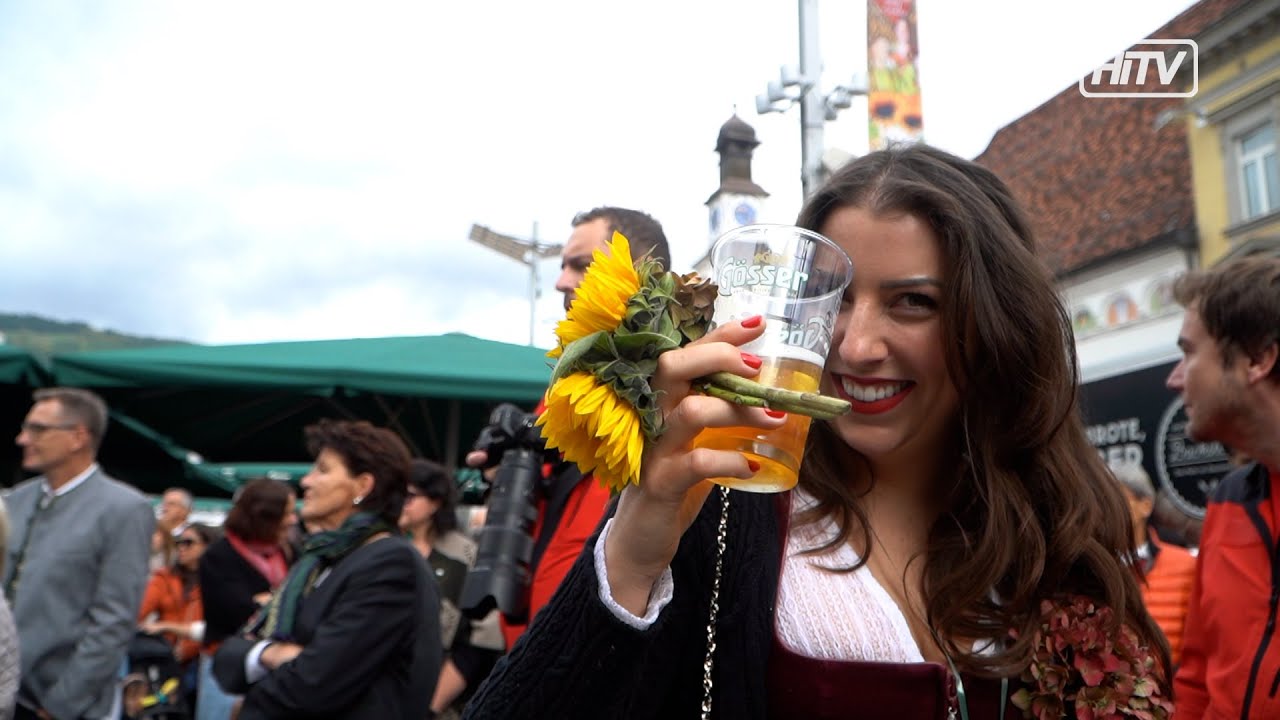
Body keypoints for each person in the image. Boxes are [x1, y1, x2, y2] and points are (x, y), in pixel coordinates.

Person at [463, 144, 1171, 719]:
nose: (855, 346)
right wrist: (631, 558)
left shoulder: (1048, 517)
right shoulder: (726, 498)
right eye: (835, 300)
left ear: (993, 321)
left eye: (913, 302)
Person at [467, 206, 671, 648]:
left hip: (610, 646)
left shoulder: (678, 388)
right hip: (531, 639)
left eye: (580, 265)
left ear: (637, 269)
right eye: (562, 266)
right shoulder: (565, 383)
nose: (561, 281)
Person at [213, 419, 442, 719]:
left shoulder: (390, 563)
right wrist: (271, 653)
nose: (306, 482)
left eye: (322, 470)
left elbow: (314, 684)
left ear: (362, 486)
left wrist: (251, 699)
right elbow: (228, 660)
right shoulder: (320, 559)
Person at [1166, 255, 1280, 719]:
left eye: (1189, 352)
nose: (1174, 378)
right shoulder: (1229, 501)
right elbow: (1196, 677)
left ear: (1256, 360)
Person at [3, 387, 154, 720]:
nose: (22, 439)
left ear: (78, 437)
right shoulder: (16, 500)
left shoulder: (124, 509)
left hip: (56, 704)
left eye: (37, 429)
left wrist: (61, 704)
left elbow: (114, 621)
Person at [401, 459, 503, 719]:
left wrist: (430, 707)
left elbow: (482, 641)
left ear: (435, 502)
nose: (399, 503)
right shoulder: (383, 546)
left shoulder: (465, 555)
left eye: (409, 496)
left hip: (437, 701)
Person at [195, 479, 296, 720]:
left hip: (270, 667)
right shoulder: (219, 556)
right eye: (287, 513)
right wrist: (277, 602)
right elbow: (235, 611)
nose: (293, 520)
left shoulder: (288, 552)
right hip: (226, 666)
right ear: (265, 517)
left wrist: (267, 602)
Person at [1109, 463, 1195, 665]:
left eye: (1118, 499)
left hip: (1172, 679)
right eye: (1103, 501)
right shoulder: (1095, 568)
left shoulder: (1185, 565)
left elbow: (1199, 639)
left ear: (1146, 506)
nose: (1108, 509)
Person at [137, 522, 218, 708]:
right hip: (168, 659)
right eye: (178, 542)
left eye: (188, 543)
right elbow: (140, 611)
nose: (181, 548)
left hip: (202, 659)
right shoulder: (165, 578)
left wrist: (168, 627)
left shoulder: (218, 581)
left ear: (207, 546)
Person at [152, 488, 194, 570]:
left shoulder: (192, 537)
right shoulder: (153, 532)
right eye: (164, 504)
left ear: (186, 510)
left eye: (171, 504)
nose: (165, 508)